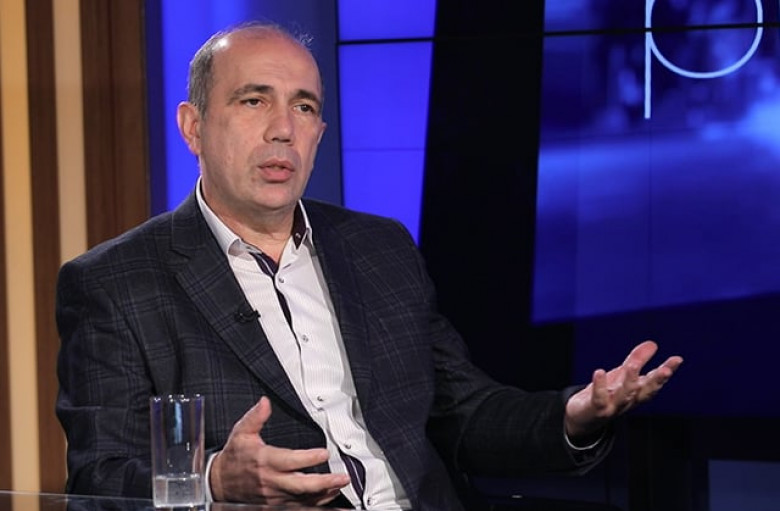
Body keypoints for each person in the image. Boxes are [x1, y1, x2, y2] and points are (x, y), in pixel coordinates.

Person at [55, 20, 683, 511]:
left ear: (319, 133)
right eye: (253, 101)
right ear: (193, 127)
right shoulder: (114, 284)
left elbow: (464, 414)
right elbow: (99, 479)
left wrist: (576, 414)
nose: (282, 130)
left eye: (303, 107)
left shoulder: (379, 248)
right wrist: (216, 478)